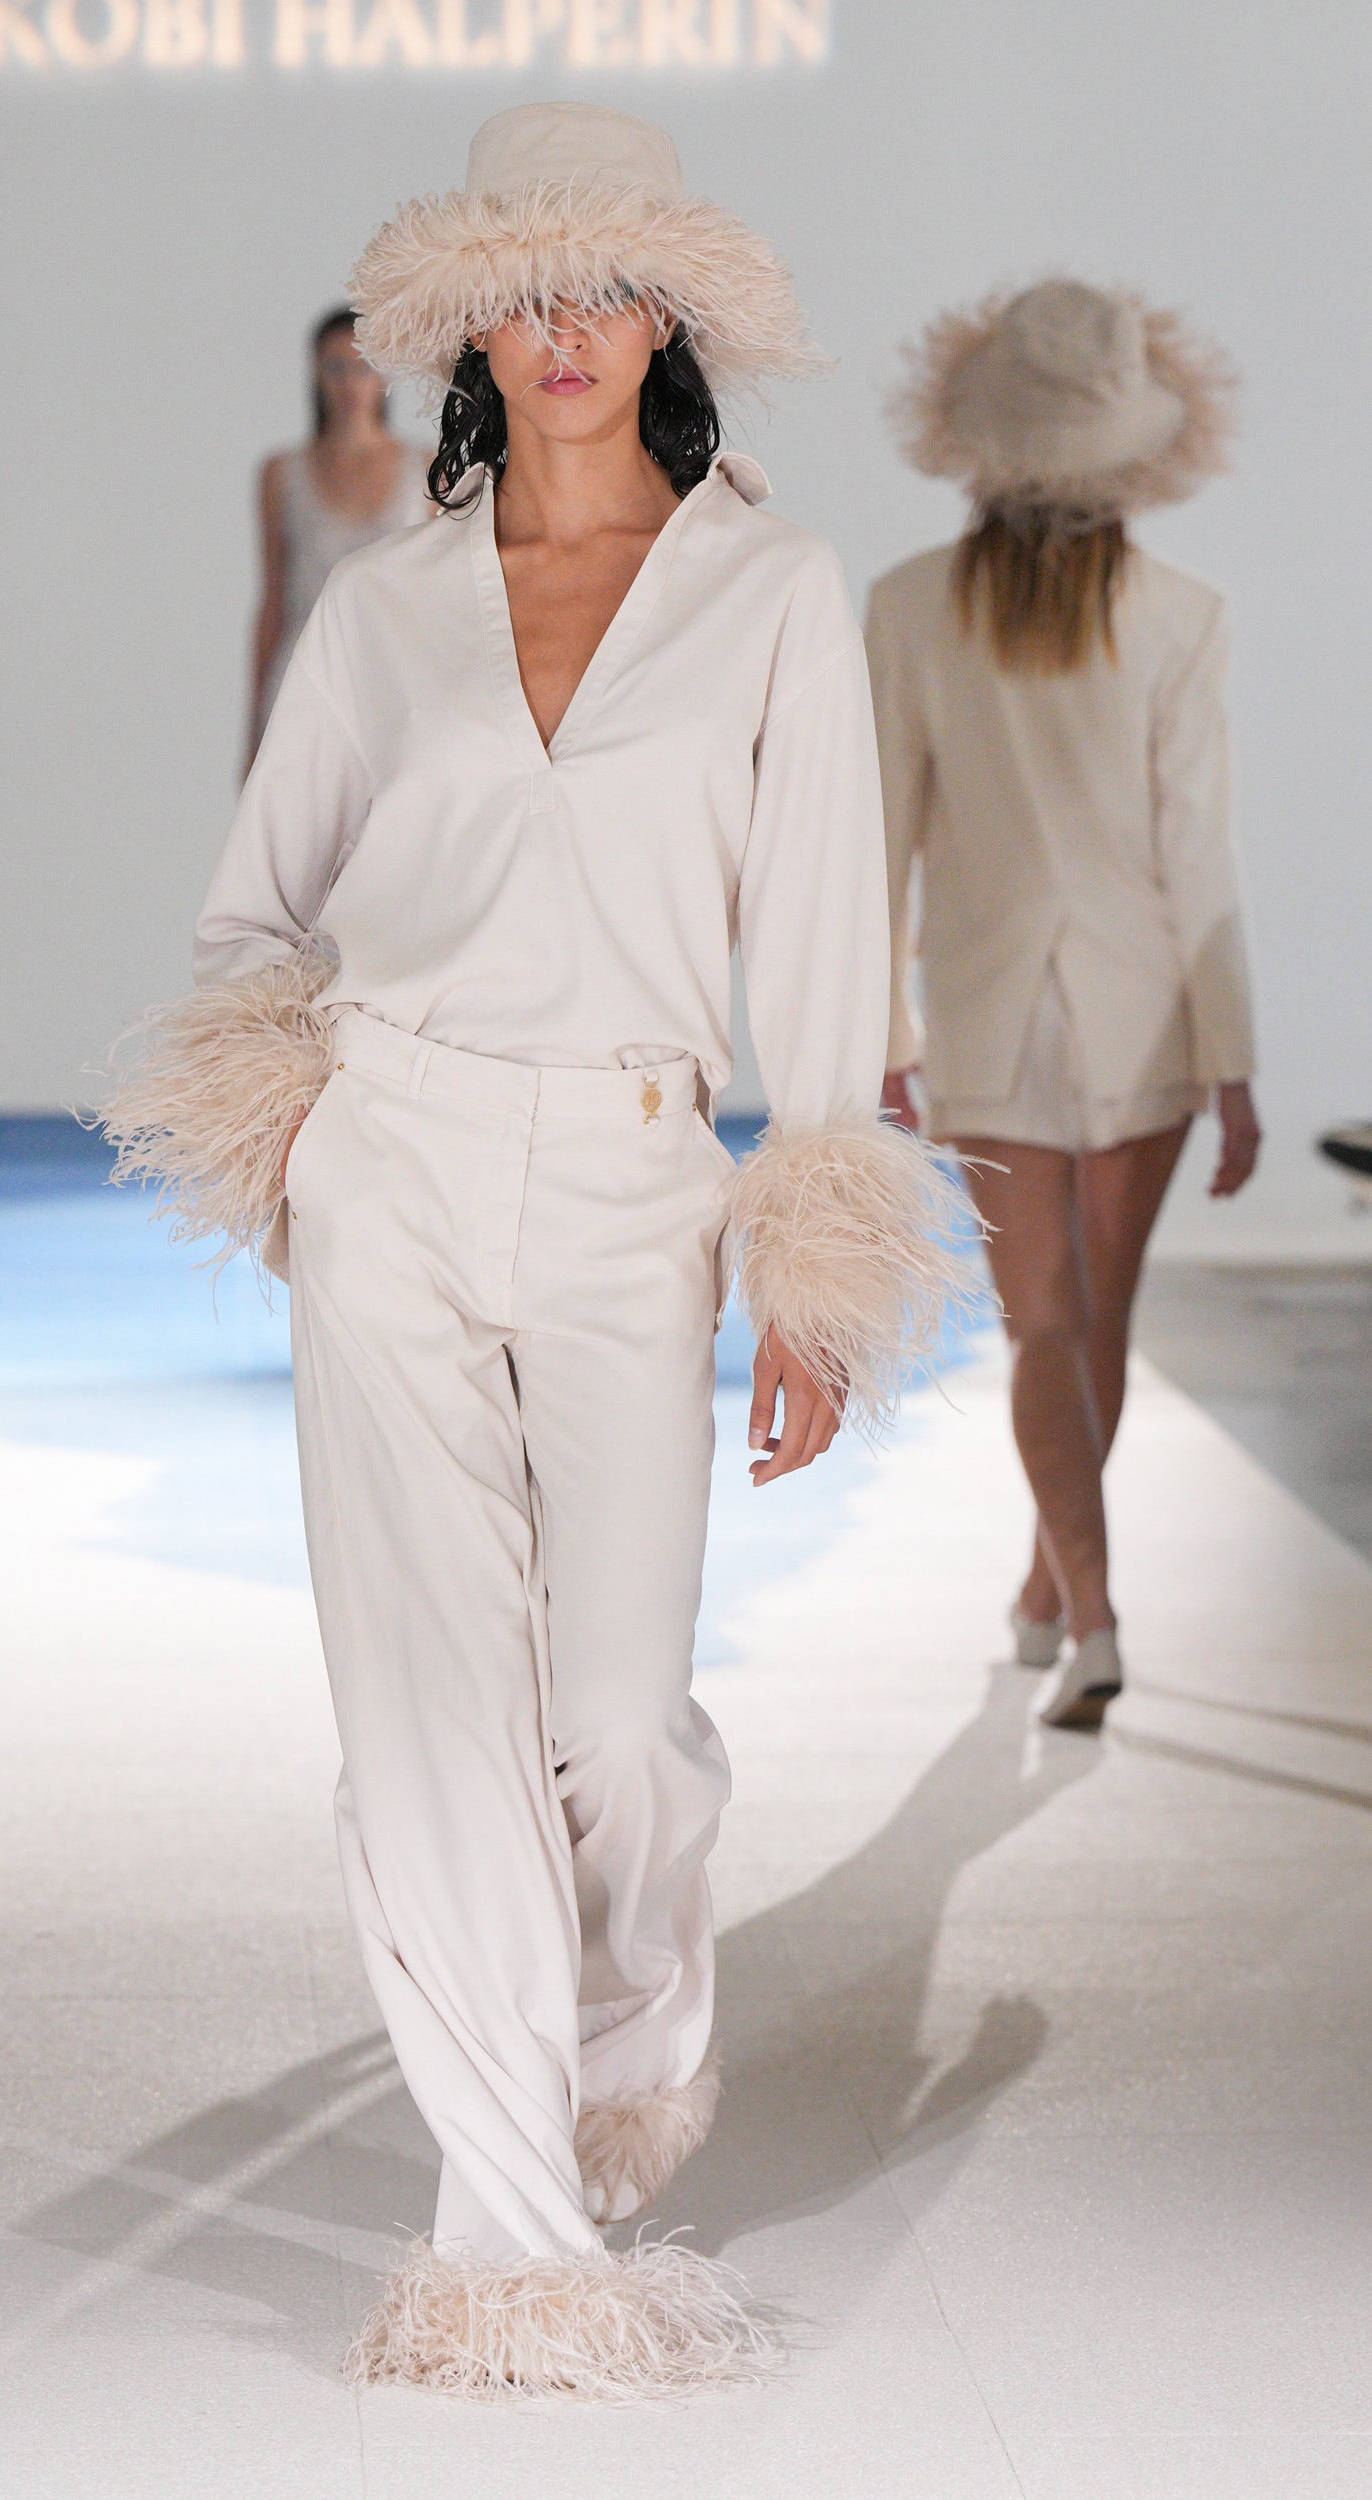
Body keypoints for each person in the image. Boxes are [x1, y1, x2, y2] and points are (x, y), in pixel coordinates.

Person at [105, 102, 966, 2395]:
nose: (565, 329)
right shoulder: (387, 604)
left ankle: (627, 2009)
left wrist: (810, 1252)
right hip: (386, 1159)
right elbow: (249, 911)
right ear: (464, 325)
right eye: (522, 290)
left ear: (670, 315)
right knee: (425, 1719)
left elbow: (824, 939)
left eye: (606, 286)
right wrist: (295, 1143)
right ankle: (504, 2235)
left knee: (610, 1724)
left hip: (630, 1179)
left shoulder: (769, 591)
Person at [866, 279, 1261, 1732]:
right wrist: (1229, 1065)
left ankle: (1062, 1599)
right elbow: (1196, 859)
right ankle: (1082, 1609)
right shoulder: (1181, 615)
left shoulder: (906, 607)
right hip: (1144, 1010)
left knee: (1044, 1326)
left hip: (984, 1015)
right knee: (1092, 1326)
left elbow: (878, 840)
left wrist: (881, 1034)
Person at [242, 306, 429, 775]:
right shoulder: (281, 474)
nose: (350, 383)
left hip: (396, 677)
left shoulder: (427, 470)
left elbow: (439, 597)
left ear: (386, 372)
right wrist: (252, 733)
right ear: (315, 372)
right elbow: (273, 600)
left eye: (364, 366)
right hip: (304, 675)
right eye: (336, 367)